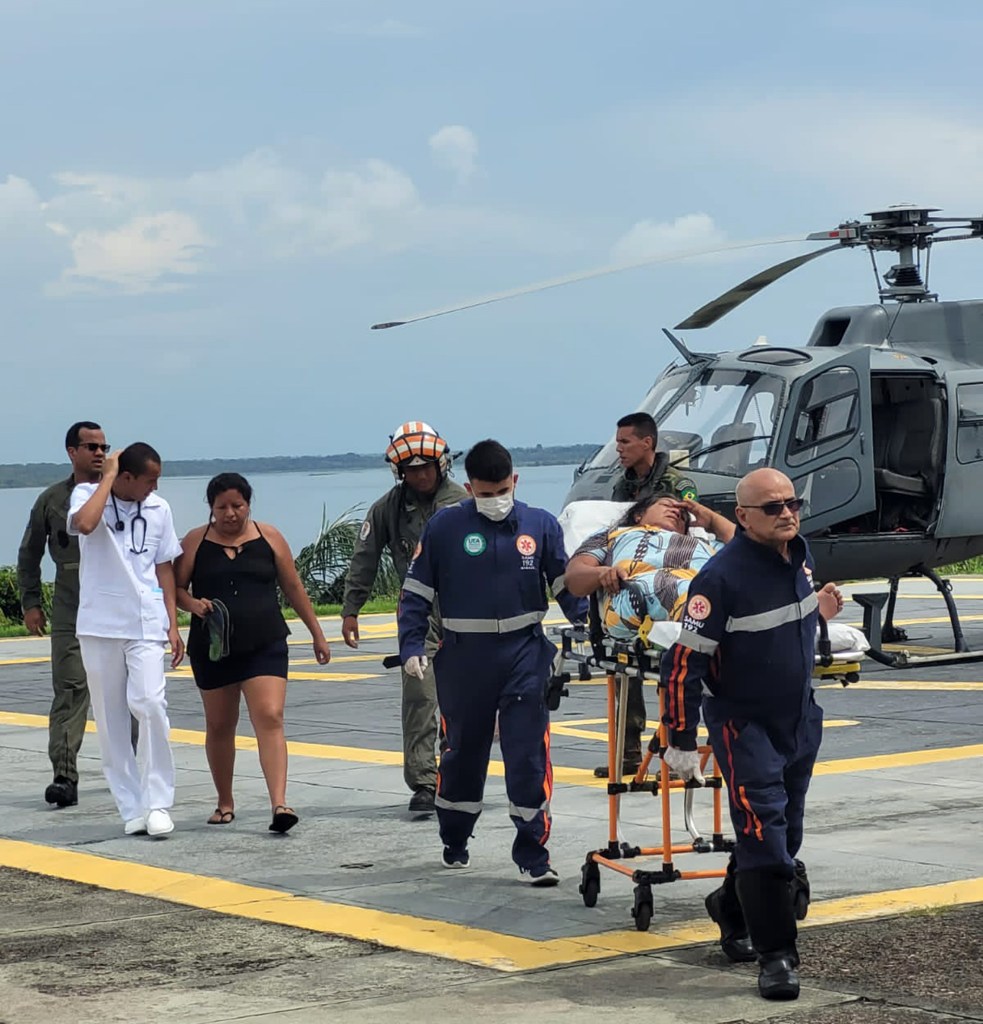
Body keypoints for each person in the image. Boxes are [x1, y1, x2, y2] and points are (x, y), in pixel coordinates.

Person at [660, 468, 844, 1001]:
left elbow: (795, 623)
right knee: (763, 828)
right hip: (745, 725)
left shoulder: (800, 556)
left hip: (798, 718)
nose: (787, 513)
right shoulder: (719, 580)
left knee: (784, 833)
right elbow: (684, 663)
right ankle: (777, 956)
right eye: (772, 507)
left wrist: (822, 613)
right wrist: (678, 736)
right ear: (742, 517)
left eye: (793, 503)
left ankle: (730, 907)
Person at [398, 439, 587, 885]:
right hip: (465, 658)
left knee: (527, 754)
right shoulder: (445, 528)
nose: (494, 501)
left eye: (501, 491)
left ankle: (533, 853)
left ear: (515, 482)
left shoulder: (540, 526)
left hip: (526, 653)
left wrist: (589, 626)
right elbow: (416, 595)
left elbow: (565, 586)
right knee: (463, 753)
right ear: (469, 489)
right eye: (484, 495)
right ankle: (455, 837)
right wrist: (410, 648)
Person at [175, 472, 331, 833]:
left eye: (238, 505)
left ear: (249, 504)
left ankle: (279, 803)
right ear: (211, 508)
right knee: (219, 724)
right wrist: (192, 605)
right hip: (214, 646)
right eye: (221, 507)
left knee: (270, 715)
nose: (230, 514)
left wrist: (317, 633)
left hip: (266, 641)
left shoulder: (270, 536)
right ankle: (225, 801)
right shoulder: (195, 541)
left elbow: (292, 586)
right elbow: (176, 587)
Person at [341, 422, 467, 814]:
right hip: (418, 613)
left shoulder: (463, 502)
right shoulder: (388, 508)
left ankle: (460, 773)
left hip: (466, 611)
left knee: (465, 698)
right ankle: (424, 781)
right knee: (419, 695)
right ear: (400, 472)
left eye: (426, 466)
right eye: (411, 469)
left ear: (440, 464)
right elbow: (364, 556)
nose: (421, 474)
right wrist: (351, 608)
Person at [68, 442, 185, 838]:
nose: (155, 487)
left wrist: (172, 623)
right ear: (127, 477)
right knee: (111, 718)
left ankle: (157, 802)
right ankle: (131, 806)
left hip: (146, 622)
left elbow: (164, 564)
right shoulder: (88, 495)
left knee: (150, 703)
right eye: (149, 480)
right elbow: (84, 525)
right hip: (100, 622)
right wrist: (108, 476)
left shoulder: (160, 509)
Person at [17, 421, 107, 808]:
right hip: (71, 608)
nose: (99, 453)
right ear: (72, 452)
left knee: (130, 693)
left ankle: (139, 766)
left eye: (104, 446)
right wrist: (31, 602)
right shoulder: (52, 501)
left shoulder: (120, 496)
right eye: (91, 447)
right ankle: (64, 776)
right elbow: (29, 553)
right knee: (70, 691)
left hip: (114, 608)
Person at [607, 413, 684, 774]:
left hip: (667, 584)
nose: (618, 449)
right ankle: (628, 751)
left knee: (668, 669)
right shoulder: (621, 488)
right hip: (630, 582)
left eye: (624, 442)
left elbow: (688, 534)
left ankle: (672, 747)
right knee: (623, 664)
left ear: (647, 443)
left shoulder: (677, 485)